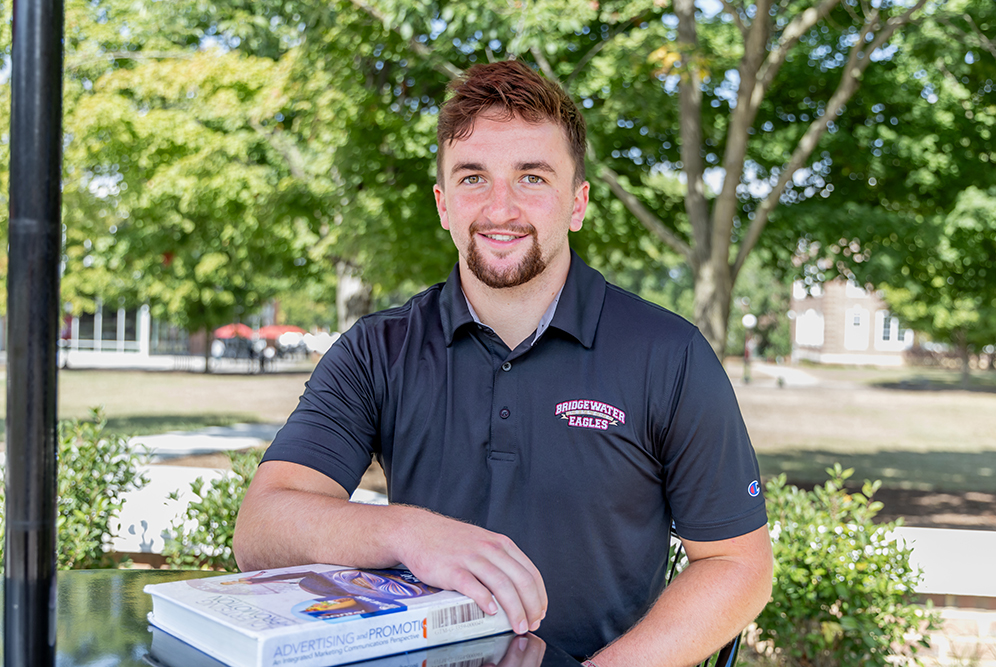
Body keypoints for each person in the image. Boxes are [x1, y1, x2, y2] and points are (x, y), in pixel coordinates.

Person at [233, 60, 772, 666]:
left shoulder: (669, 354)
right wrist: (410, 534)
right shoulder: (376, 350)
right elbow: (260, 530)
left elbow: (737, 564)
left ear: (577, 203)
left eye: (532, 178)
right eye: (473, 178)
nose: (500, 208)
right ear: (443, 204)